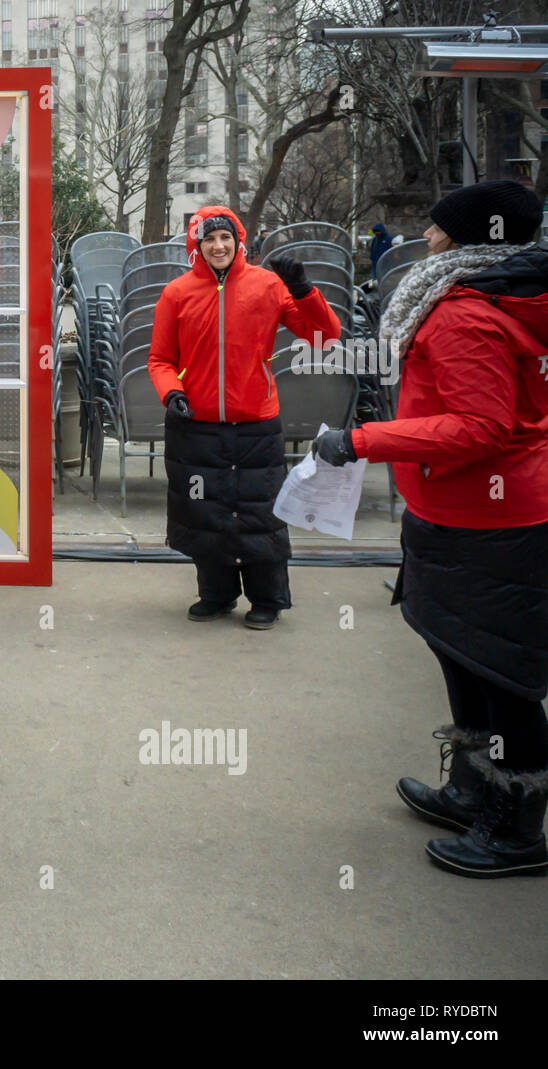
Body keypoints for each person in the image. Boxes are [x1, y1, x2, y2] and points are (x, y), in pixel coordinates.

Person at [312, 180, 548, 879]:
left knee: (503, 675)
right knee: (465, 655)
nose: (429, 235)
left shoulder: (466, 313)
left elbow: (481, 427)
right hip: (461, 512)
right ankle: (474, 791)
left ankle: (517, 826)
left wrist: (362, 440)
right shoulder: (488, 296)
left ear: (469, 238)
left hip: (490, 521)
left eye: (440, 226)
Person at [148, 206, 341, 629]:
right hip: (196, 426)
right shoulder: (177, 293)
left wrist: (305, 291)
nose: (218, 246)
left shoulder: (268, 286)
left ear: (238, 242)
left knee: (259, 514)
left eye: (225, 238)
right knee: (205, 514)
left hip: (255, 423)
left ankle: (267, 598)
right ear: (196, 245)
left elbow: (324, 337)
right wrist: (172, 392)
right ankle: (216, 595)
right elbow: (160, 359)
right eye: (209, 239)